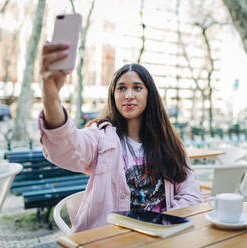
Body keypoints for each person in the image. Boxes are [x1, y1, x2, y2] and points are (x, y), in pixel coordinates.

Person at [39, 42, 202, 232]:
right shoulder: (101, 136)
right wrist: (50, 98)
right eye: (121, 88)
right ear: (113, 95)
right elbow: (69, 147)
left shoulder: (170, 144)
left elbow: (191, 195)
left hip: (160, 238)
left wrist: (162, 225)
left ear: (150, 95)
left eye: (137, 88)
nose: (128, 95)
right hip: (111, 238)